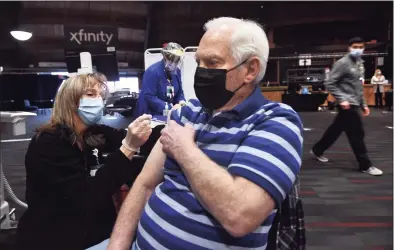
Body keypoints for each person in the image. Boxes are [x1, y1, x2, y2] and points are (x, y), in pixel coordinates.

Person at [106, 17, 304, 250]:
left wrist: (184, 150)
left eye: (212, 63)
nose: (201, 72)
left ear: (250, 69)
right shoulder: (187, 113)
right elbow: (145, 185)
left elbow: (239, 216)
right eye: (199, 62)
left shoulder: (275, 121)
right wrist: (116, 246)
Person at [16, 73, 153, 250]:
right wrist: (128, 147)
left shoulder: (92, 133)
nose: (98, 100)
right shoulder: (49, 142)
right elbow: (87, 196)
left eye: (100, 96)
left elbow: (131, 138)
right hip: (55, 238)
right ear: (70, 100)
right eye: (90, 94)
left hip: (93, 232)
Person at [310, 37, 383, 176]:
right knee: (356, 134)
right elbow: (330, 83)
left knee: (336, 129)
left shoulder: (360, 64)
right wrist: (342, 99)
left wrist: (364, 104)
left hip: (355, 103)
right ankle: (365, 165)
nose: (358, 49)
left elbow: (358, 87)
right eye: (355, 46)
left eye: (360, 47)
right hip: (347, 105)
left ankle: (318, 150)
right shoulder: (342, 63)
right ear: (349, 48)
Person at [134, 42, 186, 118]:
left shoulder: (176, 72)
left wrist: (182, 102)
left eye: (177, 59)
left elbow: (179, 92)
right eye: (172, 59)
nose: (174, 62)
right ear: (165, 57)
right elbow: (148, 96)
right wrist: (167, 106)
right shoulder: (152, 72)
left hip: (167, 112)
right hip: (150, 113)